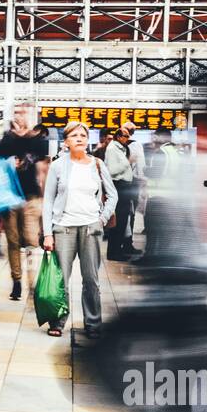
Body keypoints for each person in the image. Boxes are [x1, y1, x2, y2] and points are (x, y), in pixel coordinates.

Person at [42, 121, 118, 339]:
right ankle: (58, 320)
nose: (79, 138)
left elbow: (112, 194)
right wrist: (48, 232)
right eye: (74, 135)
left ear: (88, 140)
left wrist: (101, 219)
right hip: (63, 228)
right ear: (66, 142)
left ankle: (92, 323)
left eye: (83, 135)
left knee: (91, 279)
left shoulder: (97, 164)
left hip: (90, 228)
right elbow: (48, 201)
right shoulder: (58, 165)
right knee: (62, 279)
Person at [0, 104, 50, 301]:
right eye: (17, 112)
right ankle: (17, 281)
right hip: (10, 197)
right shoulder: (7, 138)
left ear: (32, 116)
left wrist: (45, 199)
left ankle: (32, 282)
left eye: (24, 112)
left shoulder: (39, 140)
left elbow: (44, 170)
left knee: (31, 241)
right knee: (13, 240)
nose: (20, 116)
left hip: (31, 197)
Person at [104, 124, 142, 261]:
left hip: (124, 187)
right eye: (126, 136)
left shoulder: (120, 148)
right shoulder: (112, 149)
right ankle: (114, 253)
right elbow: (112, 171)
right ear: (119, 137)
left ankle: (118, 249)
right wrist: (128, 162)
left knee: (123, 221)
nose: (128, 138)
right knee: (118, 222)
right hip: (119, 187)